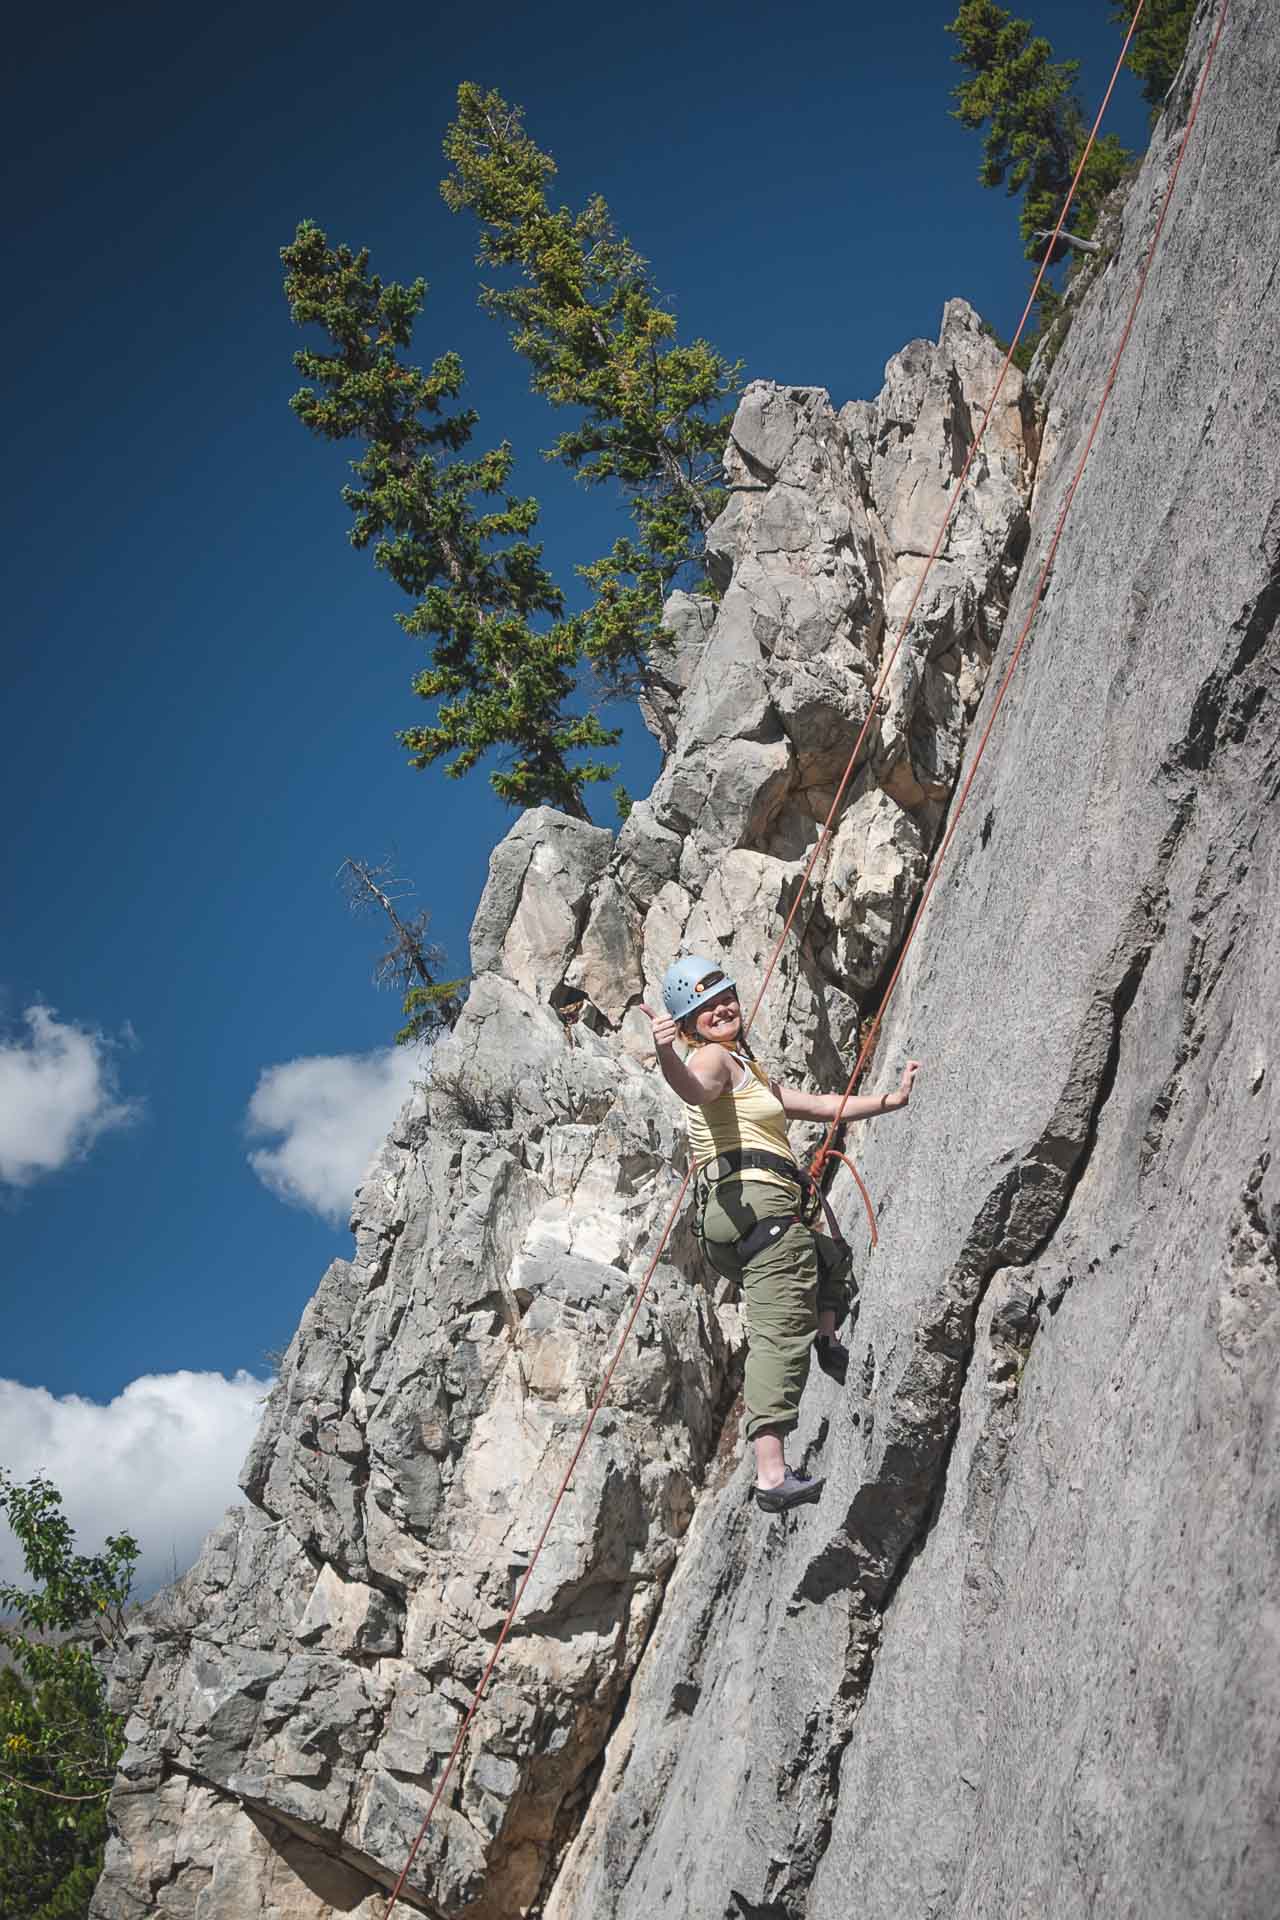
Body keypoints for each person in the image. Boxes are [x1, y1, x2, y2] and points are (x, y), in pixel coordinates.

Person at [641, 954, 920, 1514]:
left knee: (827, 1255)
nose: (721, 1009)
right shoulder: (713, 1059)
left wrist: (890, 1101)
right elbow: (694, 1089)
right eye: (705, 1007)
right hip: (756, 1208)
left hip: (743, 1219)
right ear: (692, 1023)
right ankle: (771, 1475)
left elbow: (818, 1105)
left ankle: (827, 1338)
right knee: (777, 1328)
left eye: (725, 998)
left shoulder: (750, 1071)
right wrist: (666, 1051)